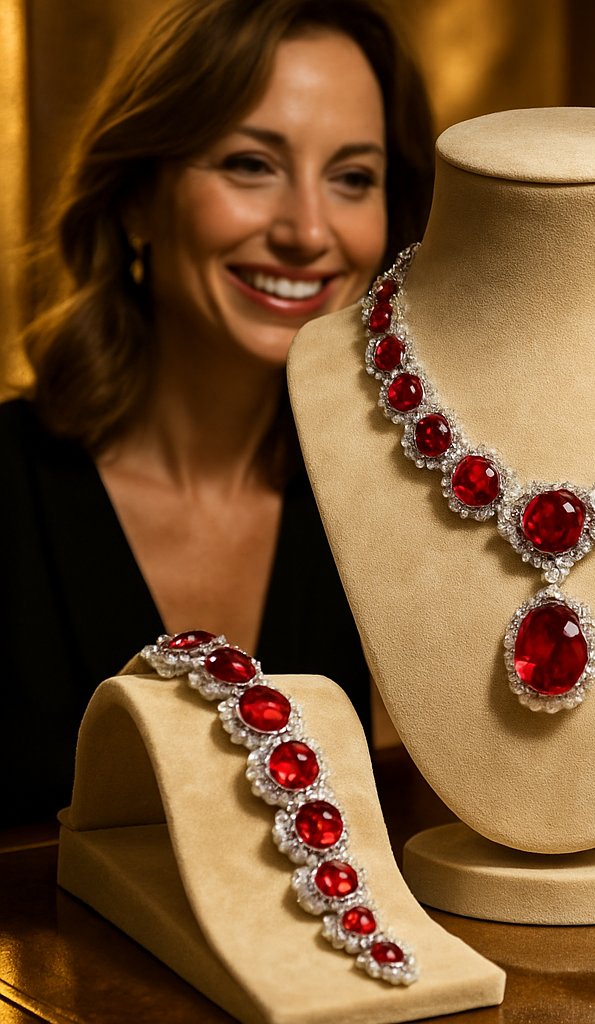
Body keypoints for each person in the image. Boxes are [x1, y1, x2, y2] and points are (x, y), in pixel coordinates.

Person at [0, 0, 434, 828]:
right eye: (249, 164)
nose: (309, 231)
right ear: (135, 198)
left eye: (352, 178)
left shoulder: (397, 516)